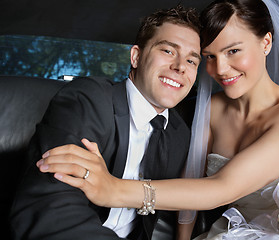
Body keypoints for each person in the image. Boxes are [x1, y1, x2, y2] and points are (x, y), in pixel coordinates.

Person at [33, 0, 279, 239]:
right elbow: (191, 177)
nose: (220, 70)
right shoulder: (212, 108)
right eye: (209, 57)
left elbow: (221, 188)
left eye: (233, 51)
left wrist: (115, 190)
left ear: (266, 42)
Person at [9, 5, 202, 240]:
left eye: (192, 61)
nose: (181, 66)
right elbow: (51, 209)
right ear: (136, 56)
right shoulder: (89, 99)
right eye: (168, 51)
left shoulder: (178, 134)